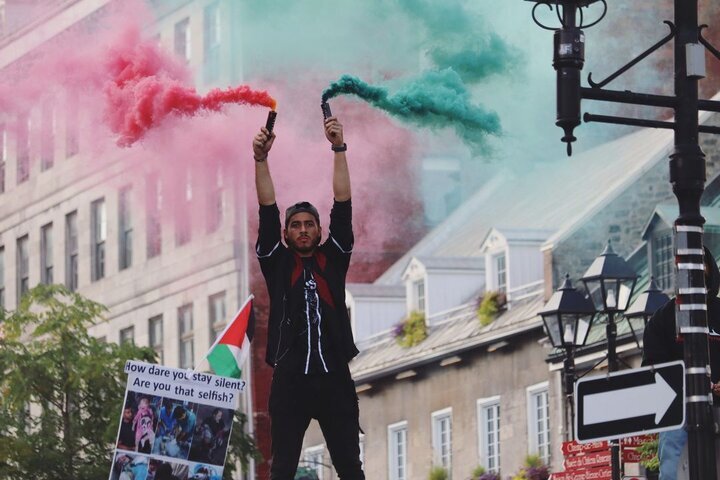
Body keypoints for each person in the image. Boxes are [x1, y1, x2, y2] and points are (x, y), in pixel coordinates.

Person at [252, 115, 364, 479]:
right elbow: (267, 209)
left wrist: (338, 148)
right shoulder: (277, 263)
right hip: (290, 379)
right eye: (295, 225)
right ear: (286, 234)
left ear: (319, 231)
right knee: (282, 466)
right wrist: (260, 159)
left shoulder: (333, 258)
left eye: (309, 224)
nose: (303, 230)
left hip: (334, 378)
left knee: (349, 466)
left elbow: (343, 203)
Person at [642, 246, 720, 479]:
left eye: (698, 263)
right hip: (679, 412)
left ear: (709, 268)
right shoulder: (662, 319)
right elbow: (652, 371)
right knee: (673, 462)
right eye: (683, 265)